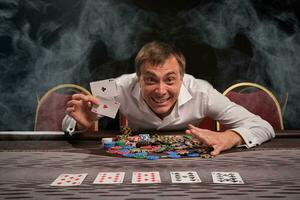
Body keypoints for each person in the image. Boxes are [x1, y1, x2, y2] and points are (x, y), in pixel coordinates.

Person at [63, 41, 275, 156]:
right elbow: (71, 121)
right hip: (137, 159)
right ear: (138, 79)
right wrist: (83, 122)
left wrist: (230, 138)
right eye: (151, 80)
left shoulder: (202, 91)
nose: (161, 90)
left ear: (182, 78)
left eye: (170, 80)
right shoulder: (119, 86)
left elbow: (262, 126)